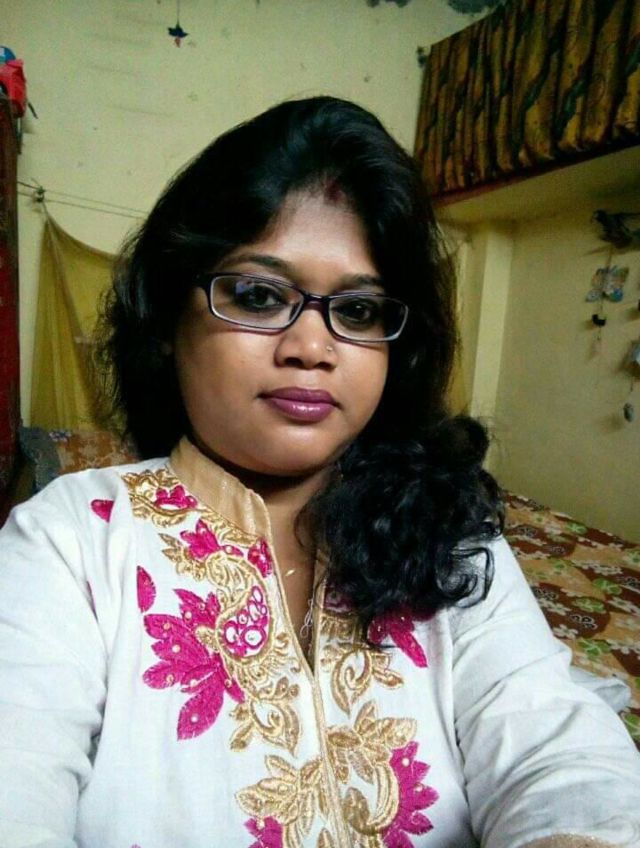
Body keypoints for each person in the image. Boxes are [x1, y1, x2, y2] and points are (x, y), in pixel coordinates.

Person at [0, 97, 638, 848]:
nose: (312, 346)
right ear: (169, 319)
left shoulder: (445, 527)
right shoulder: (70, 539)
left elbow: (554, 746)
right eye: (259, 296)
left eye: (359, 312)